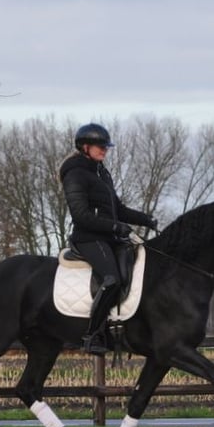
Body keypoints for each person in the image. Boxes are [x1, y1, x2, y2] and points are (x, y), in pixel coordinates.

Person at [59, 123, 157, 355]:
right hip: (88, 238)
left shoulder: (101, 172)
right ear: (85, 147)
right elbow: (81, 217)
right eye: (100, 146)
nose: (104, 150)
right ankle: (92, 334)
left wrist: (145, 219)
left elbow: (118, 209)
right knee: (112, 279)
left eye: (106, 146)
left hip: (108, 237)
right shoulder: (75, 174)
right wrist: (116, 226)